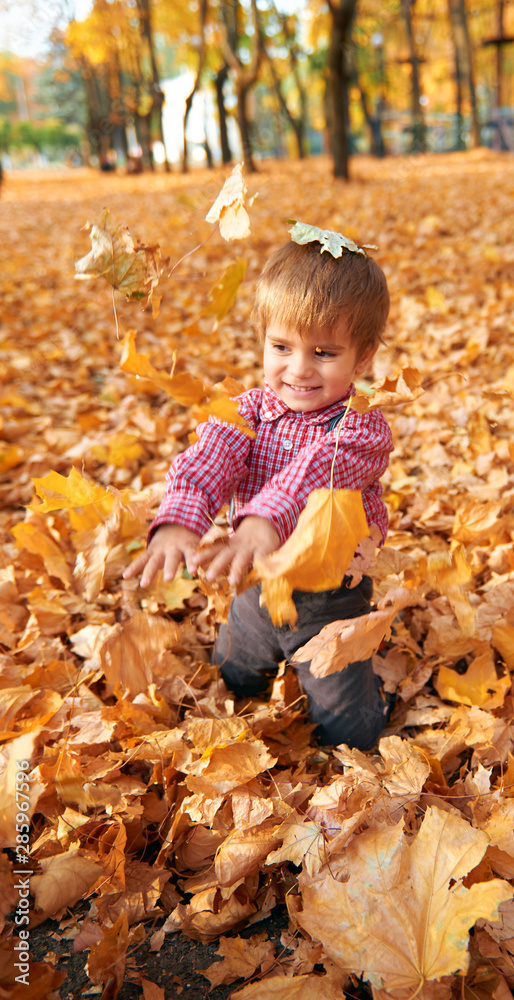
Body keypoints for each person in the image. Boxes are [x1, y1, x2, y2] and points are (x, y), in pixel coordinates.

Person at [124, 236, 394, 749]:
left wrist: (262, 521)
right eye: (281, 347)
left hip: (329, 595)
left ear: (363, 356)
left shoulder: (362, 427)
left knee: (345, 724)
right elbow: (209, 457)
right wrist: (180, 521)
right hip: (250, 581)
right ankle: (244, 693)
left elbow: (318, 472)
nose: (298, 369)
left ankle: (369, 707)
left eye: (324, 353)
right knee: (235, 670)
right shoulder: (247, 410)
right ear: (263, 340)